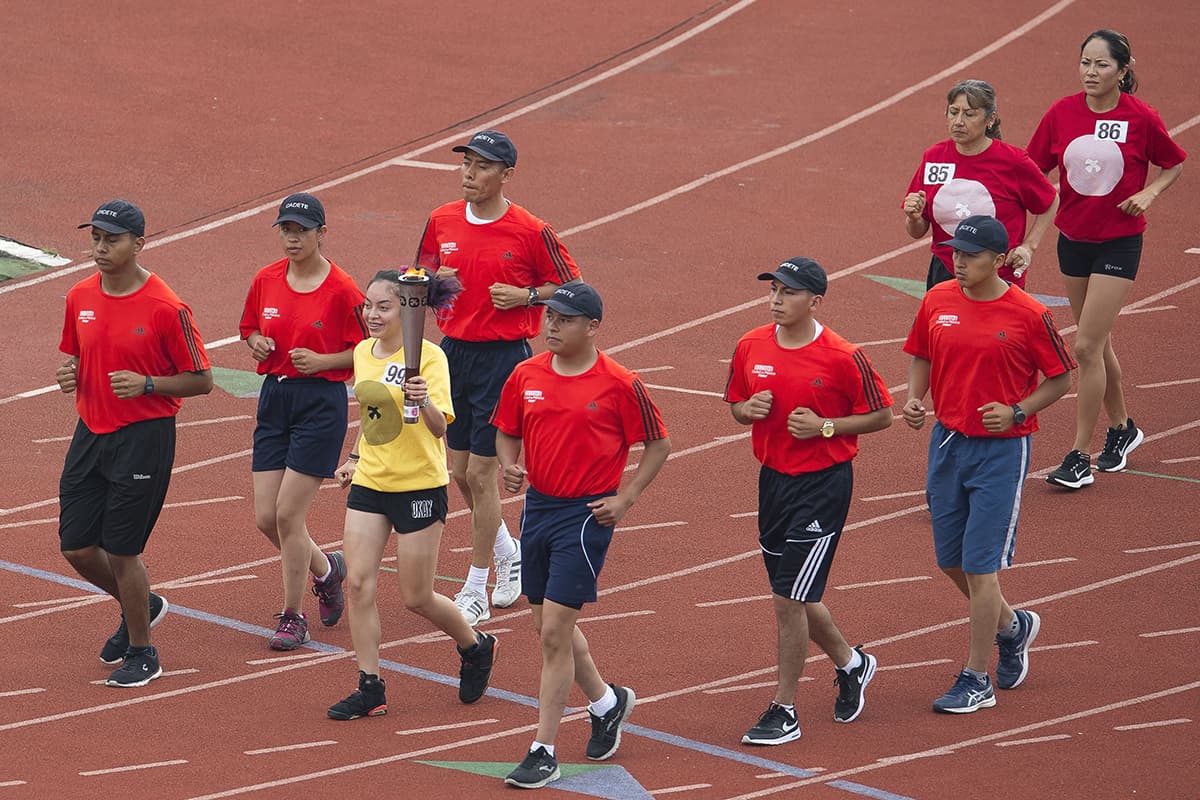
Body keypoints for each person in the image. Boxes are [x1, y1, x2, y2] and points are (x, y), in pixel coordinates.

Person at [492, 283, 669, 789]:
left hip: (587, 515)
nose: (551, 325)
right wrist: (509, 465)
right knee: (549, 626)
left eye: (564, 319)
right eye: (549, 316)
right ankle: (607, 703)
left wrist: (625, 499)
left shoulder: (620, 383)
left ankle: (543, 751)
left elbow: (658, 444)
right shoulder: (526, 374)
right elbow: (506, 430)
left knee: (553, 632)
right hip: (538, 508)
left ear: (592, 327)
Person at [902, 215, 1075, 713]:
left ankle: (976, 679)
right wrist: (914, 398)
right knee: (950, 561)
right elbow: (921, 354)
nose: (958, 261)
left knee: (981, 569)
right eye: (956, 252)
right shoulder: (937, 300)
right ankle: (1013, 626)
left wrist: (1018, 411)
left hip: (1001, 451)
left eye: (970, 255)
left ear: (999, 261)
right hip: (946, 443)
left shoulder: (1029, 314)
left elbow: (1061, 377)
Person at [414, 130, 582, 626]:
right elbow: (420, 277)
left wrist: (527, 296)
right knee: (460, 471)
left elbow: (572, 287)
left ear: (507, 175)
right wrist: (426, 288)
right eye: (466, 163)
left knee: (481, 475)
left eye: (482, 166)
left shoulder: (530, 230)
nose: (470, 173)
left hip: (504, 360)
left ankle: (476, 587)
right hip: (453, 354)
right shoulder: (441, 219)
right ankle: (510, 552)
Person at [723, 257, 893, 745]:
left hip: (822, 486)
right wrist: (747, 410)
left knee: (788, 600)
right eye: (773, 290)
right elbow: (736, 405)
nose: (777, 300)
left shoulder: (843, 356)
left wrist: (826, 426)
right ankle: (852, 663)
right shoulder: (750, 345)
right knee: (795, 592)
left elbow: (882, 415)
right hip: (773, 482)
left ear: (815, 301)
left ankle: (784, 709)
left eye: (788, 292)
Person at [326, 268, 497, 720]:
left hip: (419, 485)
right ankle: (370, 685)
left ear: (408, 310)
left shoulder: (431, 358)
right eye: (368, 305)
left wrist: (424, 401)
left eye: (384, 307)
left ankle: (475, 645)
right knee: (358, 583)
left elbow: (441, 429)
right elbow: (374, 416)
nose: (372, 314)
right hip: (372, 481)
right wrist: (355, 458)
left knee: (416, 597)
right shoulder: (363, 352)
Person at [57, 199, 213, 687]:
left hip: (145, 436)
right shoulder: (79, 296)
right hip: (91, 430)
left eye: (112, 239)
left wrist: (149, 384)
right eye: (96, 238)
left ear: (139, 244)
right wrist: (70, 373)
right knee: (77, 546)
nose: (101, 248)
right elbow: (78, 356)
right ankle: (142, 603)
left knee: (123, 550)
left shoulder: (166, 307)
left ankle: (143, 652)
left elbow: (202, 380)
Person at [1028, 30, 1186, 488]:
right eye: (1085, 63)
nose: (1091, 72)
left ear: (1123, 70)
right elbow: (1031, 167)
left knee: (1085, 347)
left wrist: (1150, 193)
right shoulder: (1061, 113)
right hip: (1073, 240)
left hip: (1119, 243)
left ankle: (1079, 455)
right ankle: (1122, 428)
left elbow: (1173, 163)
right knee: (1097, 344)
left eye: (1101, 64)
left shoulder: (1141, 117)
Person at [239, 192, 366, 649]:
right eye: (286, 231)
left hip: (320, 403)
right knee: (266, 518)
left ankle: (294, 616)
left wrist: (323, 361)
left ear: (321, 233)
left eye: (301, 231)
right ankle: (327, 570)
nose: (292, 239)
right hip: (275, 398)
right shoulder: (266, 278)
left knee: (288, 515)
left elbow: (368, 350)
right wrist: (256, 342)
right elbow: (249, 327)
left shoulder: (343, 290)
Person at [903, 79, 1058, 290]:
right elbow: (917, 230)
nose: (958, 121)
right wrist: (913, 217)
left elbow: (1050, 200)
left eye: (969, 114)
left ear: (990, 119)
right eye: (953, 112)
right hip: (946, 272)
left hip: (996, 277)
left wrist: (1029, 246)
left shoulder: (1013, 162)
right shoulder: (934, 158)